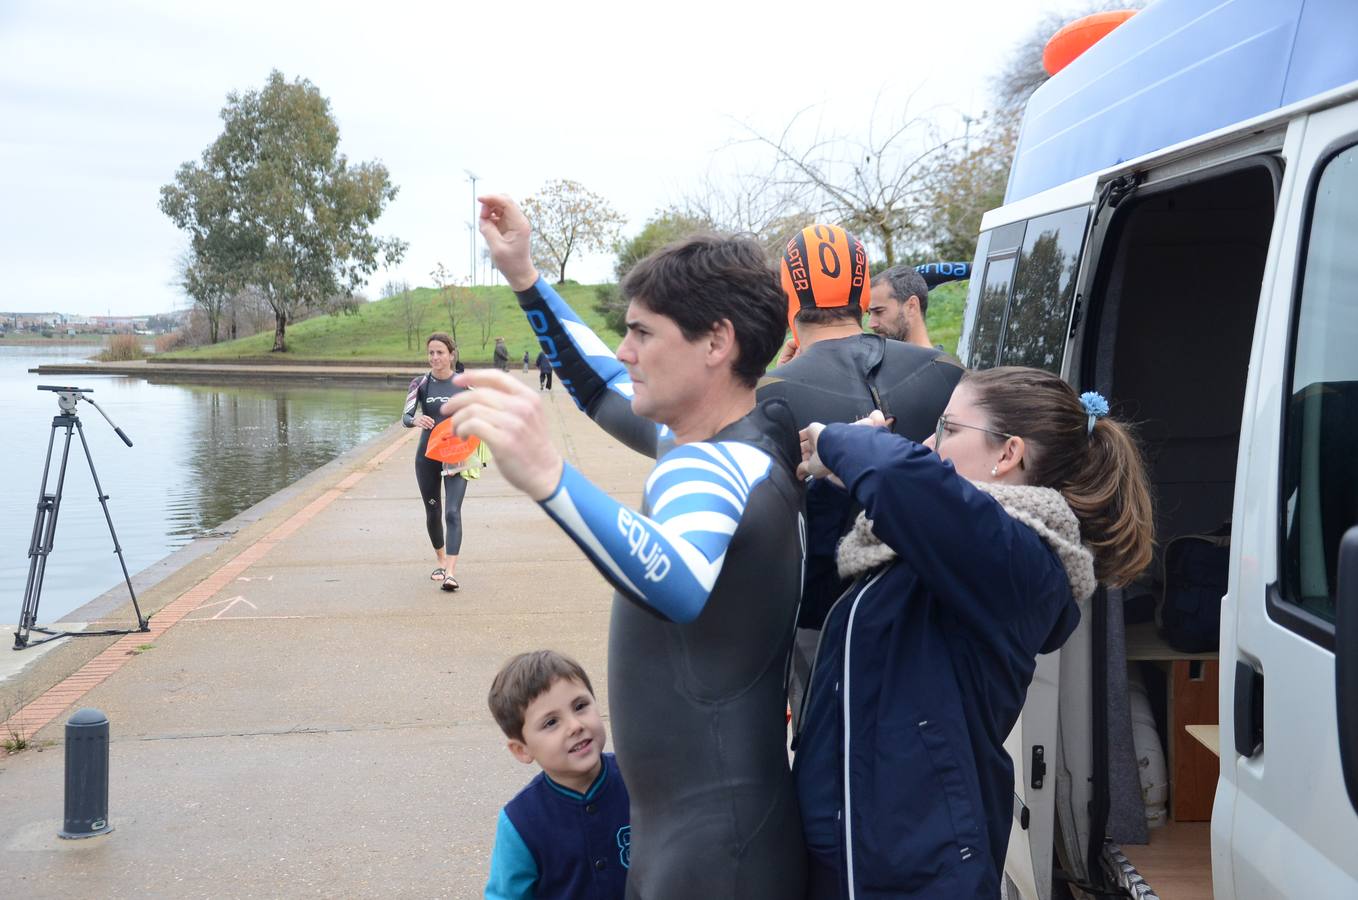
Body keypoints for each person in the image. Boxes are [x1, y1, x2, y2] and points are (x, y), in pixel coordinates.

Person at [445, 194, 807, 899]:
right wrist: (526, 277)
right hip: (718, 837)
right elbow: (600, 384)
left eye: (643, 333)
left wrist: (548, 476)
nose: (627, 351)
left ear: (715, 342)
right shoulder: (742, 438)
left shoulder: (711, 466)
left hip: (714, 858)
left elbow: (676, 581)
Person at [795, 366, 1154, 898]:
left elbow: (900, 477)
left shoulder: (1019, 558)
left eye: (948, 428)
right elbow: (819, 601)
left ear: (1007, 454)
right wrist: (832, 487)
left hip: (920, 862)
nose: (926, 442)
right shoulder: (931, 547)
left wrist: (846, 441)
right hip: (855, 843)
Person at [760, 225, 964, 722]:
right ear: (861, 288)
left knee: (831, 756)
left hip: (821, 614)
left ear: (788, 293)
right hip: (938, 599)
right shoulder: (945, 368)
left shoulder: (767, 395)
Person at [485, 650, 630, 900]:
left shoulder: (639, 779)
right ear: (522, 750)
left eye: (581, 706)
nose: (575, 726)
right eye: (551, 722)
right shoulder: (521, 822)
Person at [402, 333, 472, 592]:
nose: (435, 357)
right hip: (427, 456)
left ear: (451, 355)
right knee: (433, 511)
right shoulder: (420, 384)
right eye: (431, 353)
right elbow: (405, 416)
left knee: (452, 512)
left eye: (440, 352)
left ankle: (451, 573)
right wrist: (416, 420)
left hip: (457, 455)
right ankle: (441, 561)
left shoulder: (465, 384)